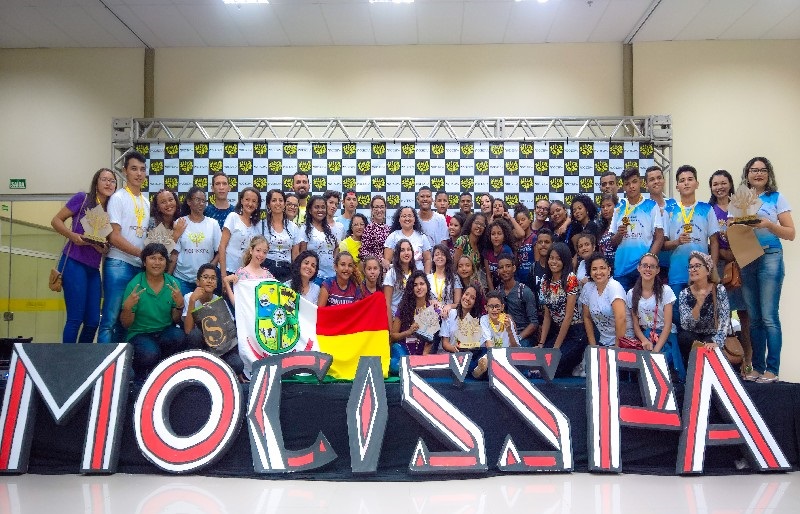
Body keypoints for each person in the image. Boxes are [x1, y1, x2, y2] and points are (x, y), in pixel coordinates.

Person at [739, 157, 794, 383]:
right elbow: (733, 228)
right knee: (754, 318)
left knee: (769, 316)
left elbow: (790, 233)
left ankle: (772, 369)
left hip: (771, 255)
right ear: (747, 174)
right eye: (754, 170)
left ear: (768, 174)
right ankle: (757, 368)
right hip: (747, 256)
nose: (758, 174)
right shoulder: (742, 197)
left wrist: (768, 224)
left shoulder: (776, 198)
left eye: (762, 170)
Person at [50, 168, 115, 343]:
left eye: (112, 181)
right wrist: (72, 236)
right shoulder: (82, 198)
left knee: (93, 322)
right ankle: (67, 362)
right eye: (104, 179)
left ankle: (81, 360)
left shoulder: (112, 209)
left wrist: (104, 248)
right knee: (75, 319)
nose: (108, 183)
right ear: (96, 182)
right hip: (73, 262)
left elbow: (107, 240)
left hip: (93, 269)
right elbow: (56, 221)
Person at [98, 151, 150, 344]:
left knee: (126, 321)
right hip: (118, 264)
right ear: (125, 171)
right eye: (134, 169)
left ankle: (119, 368)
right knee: (109, 319)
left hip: (137, 267)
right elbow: (113, 236)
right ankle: (103, 369)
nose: (139, 173)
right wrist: (141, 253)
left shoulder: (146, 202)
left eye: (142, 169)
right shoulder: (118, 198)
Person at [708, 169, 755, 381]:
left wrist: (736, 254)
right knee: (721, 317)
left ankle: (748, 362)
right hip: (719, 267)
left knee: (745, 315)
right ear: (710, 187)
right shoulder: (709, 210)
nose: (720, 187)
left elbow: (749, 238)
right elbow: (712, 242)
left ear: (730, 184)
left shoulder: (741, 207)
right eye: (715, 184)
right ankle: (725, 363)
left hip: (742, 264)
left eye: (723, 182)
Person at [120, 243, 187, 382]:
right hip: (140, 334)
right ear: (144, 262)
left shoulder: (173, 284)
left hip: (164, 331)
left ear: (166, 262)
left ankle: (165, 376)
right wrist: (127, 308)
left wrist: (180, 305)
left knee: (179, 336)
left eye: (161, 259)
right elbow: (126, 324)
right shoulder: (135, 285)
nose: (157, 262)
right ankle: (140, 377)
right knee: (150, 353)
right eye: (152, 258)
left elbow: (175, 320)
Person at [663, 165, 719, 309]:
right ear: (677, 186)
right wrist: (676, 242)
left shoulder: (707, 209)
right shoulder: (669, 210)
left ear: (697, 183)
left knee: (702, 316)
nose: (686, 183)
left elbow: (714, 242)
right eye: (682, 180)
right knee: (678, 316)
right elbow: (663, 244)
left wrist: (712, 268)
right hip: (677, 273)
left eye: (690, 179)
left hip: (702, 274)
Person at [627, 253, 684, 381]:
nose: (648, 269)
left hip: (666, 335)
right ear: (639, 268)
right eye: (645, 266)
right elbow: (636, 325)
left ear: (658, 270)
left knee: (665, 362)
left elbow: (668, 325)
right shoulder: (631, 293)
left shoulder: (666, 291)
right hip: (646, 335)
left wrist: (657, 349)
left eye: (652, 266)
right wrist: (644, 341)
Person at [182, 263, 244, 379]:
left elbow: (230, 332)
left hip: (219, 347)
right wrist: (192, 302)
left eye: (213, 278)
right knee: (194, 334)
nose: (209, 281)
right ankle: (196, 369)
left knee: (238, 365)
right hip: (200, 345)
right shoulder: (189, 297)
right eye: (205, 277)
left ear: (216, 284)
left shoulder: (220, 301)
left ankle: (217, 370)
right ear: (198, 282)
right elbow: (187, 330)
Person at [537, 242, 588, 377]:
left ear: (565, 260)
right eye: (551, 258)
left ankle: (578, 361)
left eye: (558, 259)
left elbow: (568, 316)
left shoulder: (570, 279)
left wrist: (556, 348)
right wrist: (542, 343)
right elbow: (547, 316)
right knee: (539, 362)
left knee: (551, 367)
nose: (554, 262)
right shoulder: (545, 281)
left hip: (575, 333)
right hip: (559, 331)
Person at [610, 167, 664, 291]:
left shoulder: (651, 206)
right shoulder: (619, 207)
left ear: (640, 182)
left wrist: (648, 262)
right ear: (623, 187)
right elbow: (613, 242)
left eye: (634, 182)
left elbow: (659, 237)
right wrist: (619, 234)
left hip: (643, 269)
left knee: (643, 307)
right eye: (627, 184)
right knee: (622, 308)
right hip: (622, 268)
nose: (631, 186)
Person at [677, 251, 730, 370]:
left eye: (697, 266)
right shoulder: (684, 293)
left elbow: (724, 319)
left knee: (709, 344)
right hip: (693, 335)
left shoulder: (719, 289)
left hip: (712, 334)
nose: (693, 269)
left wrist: (717, 341)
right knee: (684, 337)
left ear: (708, 270)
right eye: (691, 267)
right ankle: (690, 378)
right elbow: (686, 324)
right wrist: (699, 304)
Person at [172, 186, 221, 295]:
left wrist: (210, 267)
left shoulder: (213, 224)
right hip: (182, 279)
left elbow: (220, 251)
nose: (201, 204)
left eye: (204, 201)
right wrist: (168, 276)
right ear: (189, 201)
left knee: (203, 311)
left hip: (205, 281)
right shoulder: (180, 222)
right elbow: (174, 253)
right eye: (198, 200)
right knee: (182, 310)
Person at [581, 252, 633, 347]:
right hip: (603, 341)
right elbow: (586, 317)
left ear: (609, 270)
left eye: (602, 268)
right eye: (594, 269)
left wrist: (617, 349)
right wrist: (593, 345)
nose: (598, 272)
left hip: (624, 342)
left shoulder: (614, 287)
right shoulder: (588, 288)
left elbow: (621, 319)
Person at [218, 187, 263, 291]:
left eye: (254, 201)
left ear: (257, 205)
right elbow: (222, 246)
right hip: (228, 270)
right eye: (247, 200)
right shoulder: (233, 217)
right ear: (241, 200)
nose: (250, 204)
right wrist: (223, 275)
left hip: (244, 275)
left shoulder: (256, 225)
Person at [473, 291, 520, 378]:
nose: (494, 310)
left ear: (502, 307)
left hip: (506, 355)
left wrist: (509, 330)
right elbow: (488, 343)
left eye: (497, 306)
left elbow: (515, 348)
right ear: (486, 308)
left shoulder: (508, 321)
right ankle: (483, 369)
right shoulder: (484, 319)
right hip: (489, 353)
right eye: (491, 306)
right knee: (483, 361)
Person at [495, 253, 539, 347]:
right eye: (501, 267)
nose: (505, 270)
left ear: (514, 268)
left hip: (524, 337)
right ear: (498, 271)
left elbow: (534, 323)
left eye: (508, 266)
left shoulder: (524, 291)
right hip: (503, 335)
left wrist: (518, 338)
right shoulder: (498, 292)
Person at [390, 271, 436, 356]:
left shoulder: (432, 309)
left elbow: (430, 341)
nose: (419, 287)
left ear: (427, 286)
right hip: (403, 352)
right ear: (411, 288)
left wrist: (423, 356)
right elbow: (393, 336)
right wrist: (409, 332)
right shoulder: (403, 308)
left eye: (422, 284)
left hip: (423, 354)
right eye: (415, 285)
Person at [645, 165, 678, 281]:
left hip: (675, 263)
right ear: (646, 185)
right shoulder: (644, 208)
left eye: (659, 178)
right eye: (652, 179)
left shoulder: (675, 205)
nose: (656, 182)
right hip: (653, 265)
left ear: (664, 180)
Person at [297, 195, 339, 283]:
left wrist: (334, 263)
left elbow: (336, 248)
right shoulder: (304, 229)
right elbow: (302, 254)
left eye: (323, 207)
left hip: (332, 276)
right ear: (310, 210)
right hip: (314, 277)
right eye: (316, 207)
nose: (320, 210)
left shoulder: (331, 229)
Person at [223, 235, 274, 305]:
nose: (261, 255)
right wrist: (226, 282)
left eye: (264, 252)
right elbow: (237, 304)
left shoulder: (268, 275)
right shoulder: (241, 273)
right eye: (258, 250)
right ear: (251, 250)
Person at [440, 285, 485, 364]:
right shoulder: (450, 314)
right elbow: (445, 343)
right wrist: (454, 348)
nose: (467, 298)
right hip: (452, 358)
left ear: (476, 302)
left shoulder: (479, 320)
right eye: (466, 294)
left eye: (472, 298)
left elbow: (478, 345)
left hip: (471, 357)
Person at [262, 189, 300, 282]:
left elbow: (295, 255)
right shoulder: (261, 225)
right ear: (268, 204)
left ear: (284, 204)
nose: (278, 203)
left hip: (286, 270)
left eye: (280, 200)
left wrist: (296, 276)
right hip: (265, 269)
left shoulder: (293, 227)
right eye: (274, 200)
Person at [383, 206, 432, 273]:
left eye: (410, 216)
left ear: (414, 219)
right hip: (399, 277)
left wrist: (426, 276)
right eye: (404, 216)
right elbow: (387, 261)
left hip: (418, 277)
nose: (407, 218)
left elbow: (428, 259)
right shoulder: (393, 236)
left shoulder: (422, 237)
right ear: (399, 219)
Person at [383, 238, 415, 322]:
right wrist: (391, 329)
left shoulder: (416, 272)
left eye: (408, 250)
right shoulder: (392, 273)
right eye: (402, 250)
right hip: (396, 317)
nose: (406, 253)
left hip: (413, 316)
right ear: (397, 254)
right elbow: (387, 304)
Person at [428, 244, 462, 318]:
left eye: (443, 254)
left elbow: (458, 303)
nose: (440, 256)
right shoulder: (427, 278)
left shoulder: (454, 278)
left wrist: (449, 306)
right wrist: (430, 302)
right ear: (433, 258)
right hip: (431, 317)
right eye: (437, 254)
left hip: (449, 316)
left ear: (447, 258)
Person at [453, 212, 488, 284]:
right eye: (477, 223)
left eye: (482, 225)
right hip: (460, 284)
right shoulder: (462, 241)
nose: (479, 226)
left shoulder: (481, 246)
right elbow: (454, 266)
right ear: (471, 224)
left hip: (475, 285)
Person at [360, 195, 391, 268]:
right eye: (376, 207)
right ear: (371, 209)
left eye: (382, 207)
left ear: (385, 208)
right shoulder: (368, 229)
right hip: (374, 270)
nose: (379, 210)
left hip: (389, 269)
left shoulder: (388, 229)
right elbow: (364, 252)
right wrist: (380, 260)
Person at [483, 220, 514, 292]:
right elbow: (488, 275)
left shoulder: (506, 250)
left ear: (504, 236)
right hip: (494, 285)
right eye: (493, 234)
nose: (496, 236)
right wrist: (492, 293)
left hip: (507, 286)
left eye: (499, 234)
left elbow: (509, 274)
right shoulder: (487, 251)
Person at [513, 204, 535, 285]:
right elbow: (515, 263)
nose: (520, 223)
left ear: (529, 220)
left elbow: (537, 261)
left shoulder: (534, 238)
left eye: (523, 219)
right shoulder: (517, 240)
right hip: (518, 279)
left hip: (531, 279)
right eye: (518, 221)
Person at [597, 193, 618, 272]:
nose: (605, 209)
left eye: (609, 205)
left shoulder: (621, 225)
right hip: (605, 271)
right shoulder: (601, 228)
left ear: (616, 207)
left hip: (620, 269)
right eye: (602, 207)